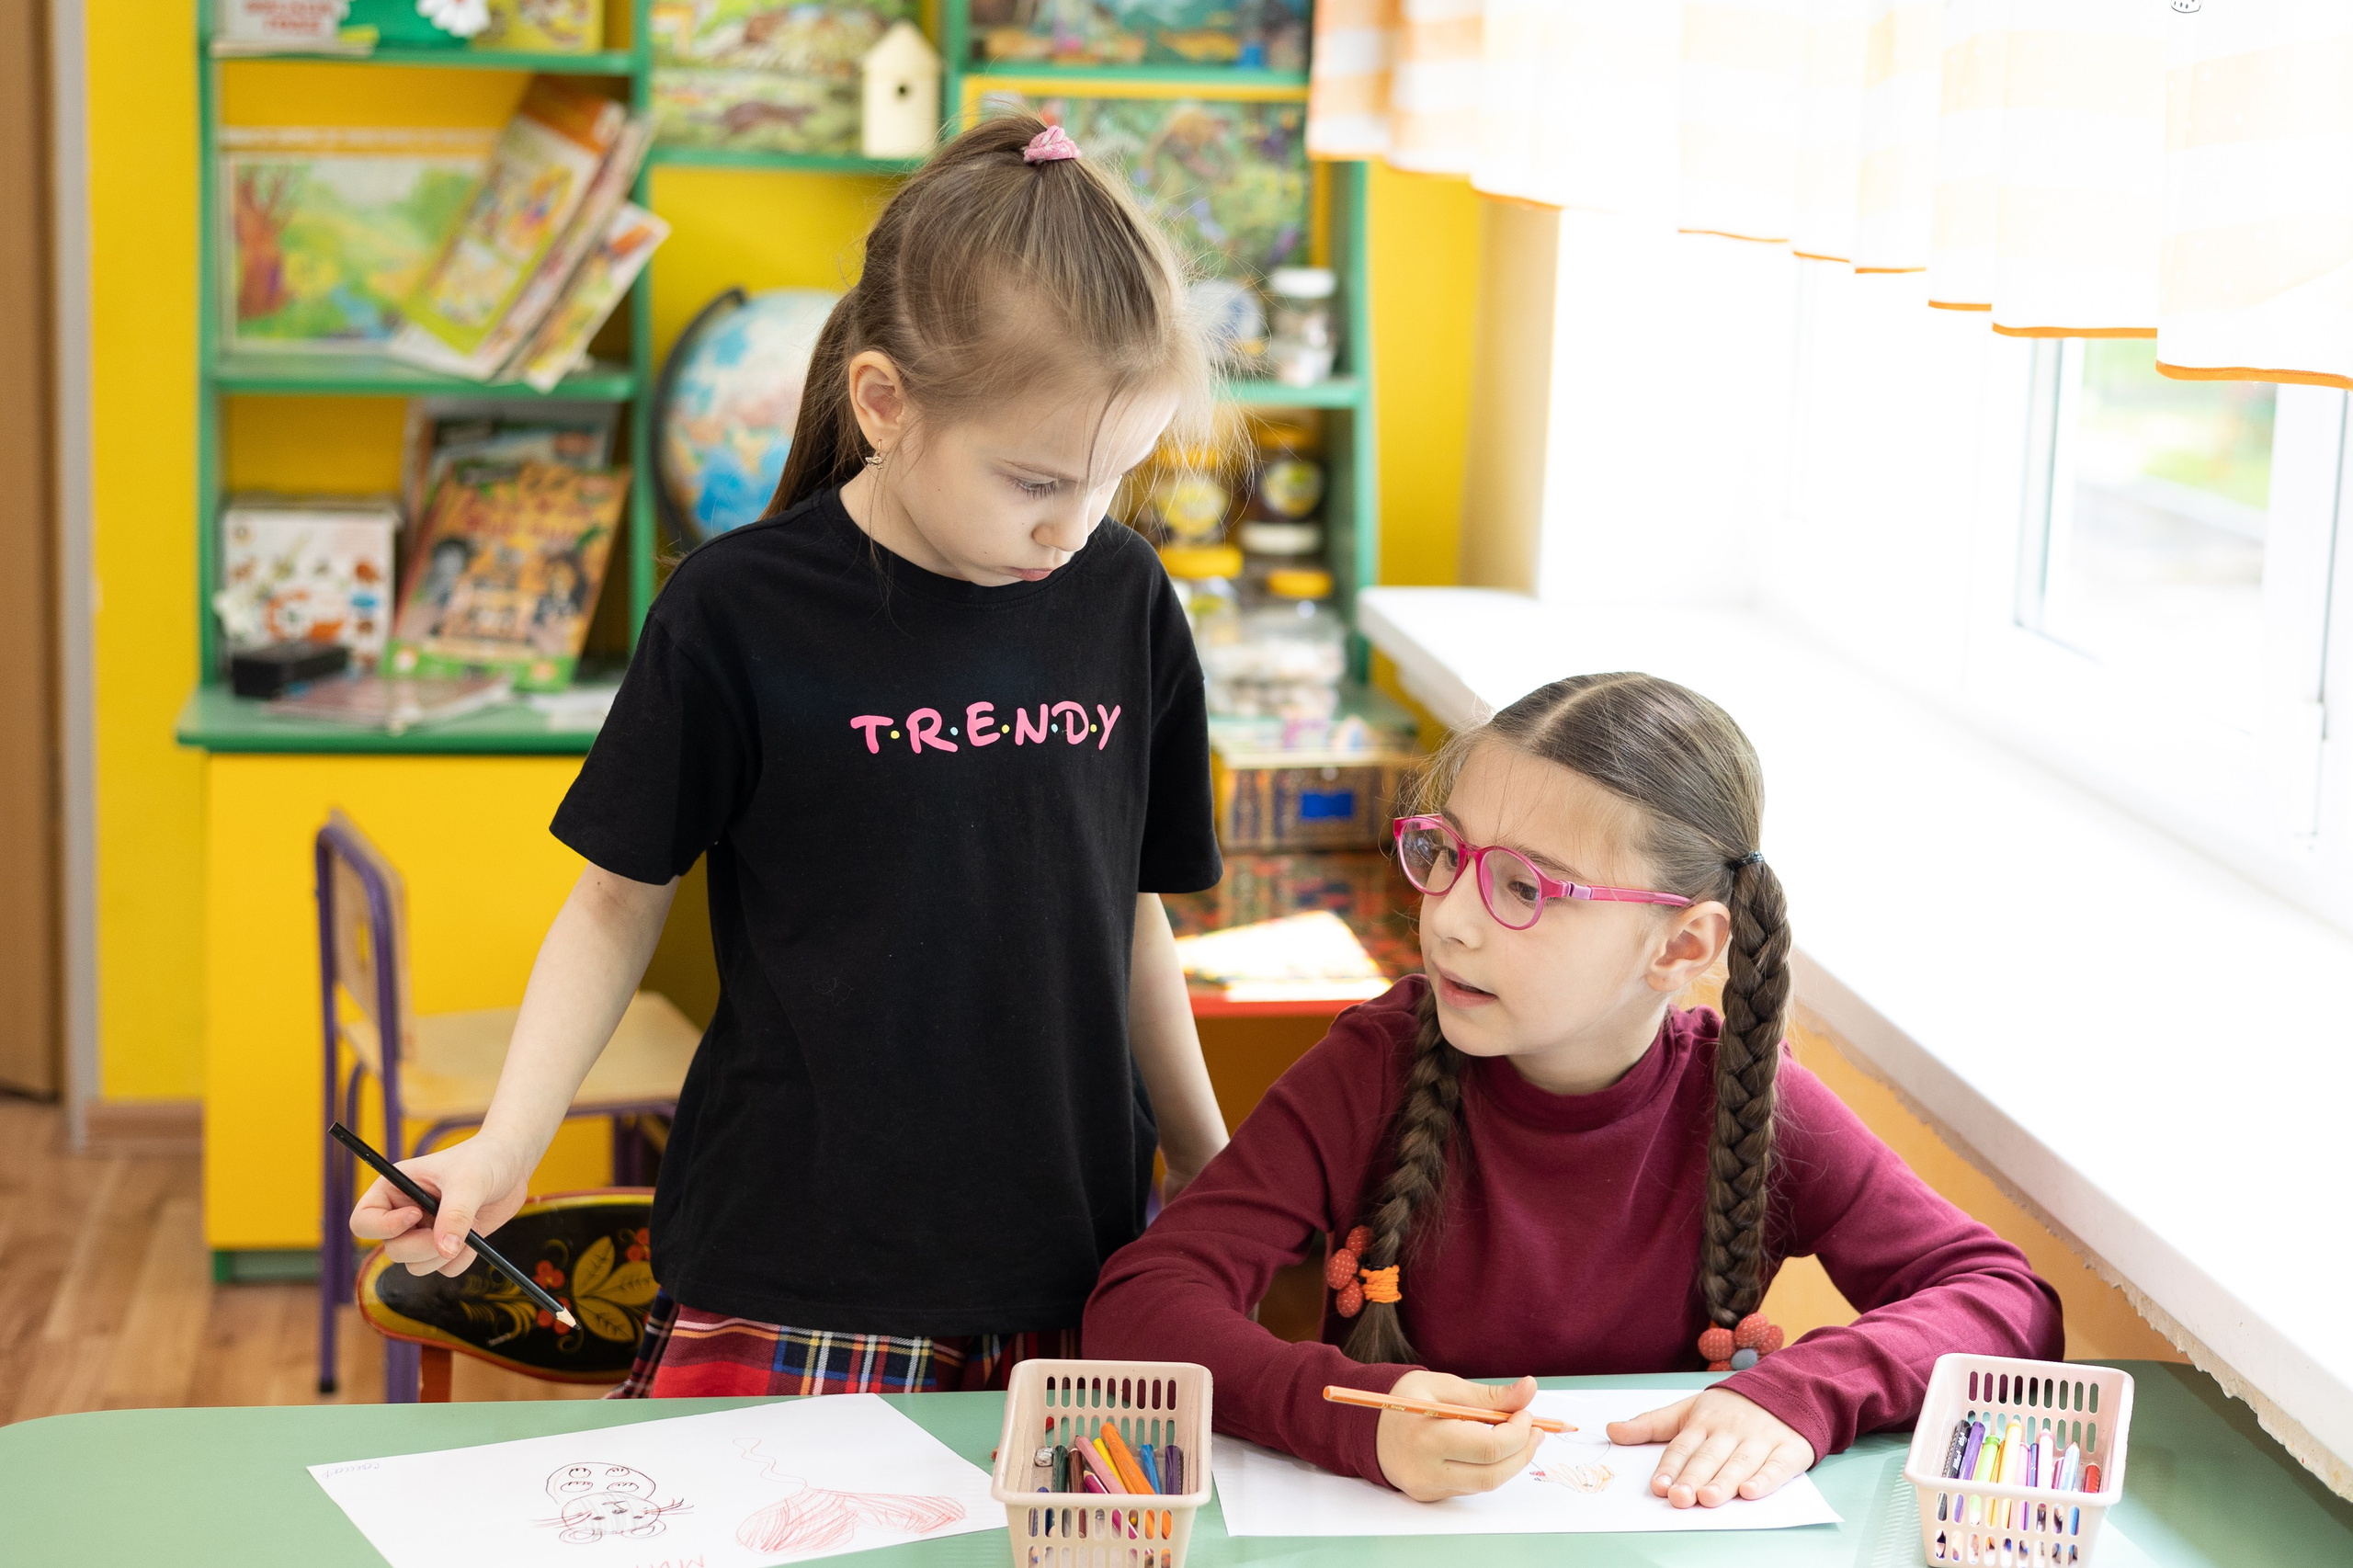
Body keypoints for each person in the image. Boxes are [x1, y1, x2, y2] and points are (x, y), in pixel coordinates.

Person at [351, 115, 1232, 1397]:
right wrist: (505, 1139)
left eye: (1114, 478)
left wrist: (1212, 1170)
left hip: (1076, 1259)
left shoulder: (1125, 598)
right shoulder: (738, 609)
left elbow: (1130, 912)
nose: (1072, 527)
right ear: (884, 404)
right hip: (796, 1263)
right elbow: (612, 903)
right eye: (1037, 479)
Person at [1085, 673, 2064, 1506]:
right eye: (1445, 853)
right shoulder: (1374, 1064)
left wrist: (1797, 1392)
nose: (1451, 920)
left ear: (1681, 944)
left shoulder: (1747, 1098)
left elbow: (2004, 1301)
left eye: (1525, 888)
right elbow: (1142, 1305)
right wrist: (1359, 1421)